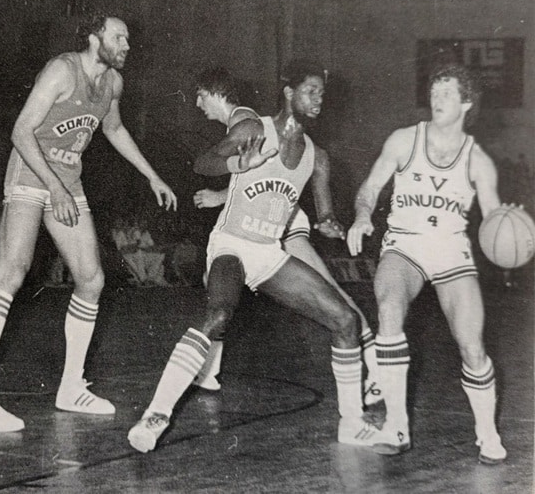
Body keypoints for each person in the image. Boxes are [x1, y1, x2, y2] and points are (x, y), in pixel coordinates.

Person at [128, 59, 392, 453]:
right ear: (288, 92)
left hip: (269, 253)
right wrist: (239, 163)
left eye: (322, 92)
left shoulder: (317, 158)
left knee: (345, 320)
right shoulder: (255, 129)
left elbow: (324, 216)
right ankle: (156, 415)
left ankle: (352, 423)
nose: (318, 98)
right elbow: (204, 162)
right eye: (310, 90)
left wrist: (333, 225)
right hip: (231, 244)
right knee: (219, 314)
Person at [0, 14, 177, 432]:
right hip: (29, 171)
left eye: (128, 37)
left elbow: (112, 127)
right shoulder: (62, 70)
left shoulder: (112, 83)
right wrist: (53, 188)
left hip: (67, 178)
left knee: (91, 280)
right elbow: (21, 132)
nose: (128, 44)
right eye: (120, 37)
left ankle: (72, 387)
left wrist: (151, 174)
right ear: (95, 39)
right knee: (12, 272)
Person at [187, 68, 381, 401]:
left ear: (213, 92)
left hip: (284, 221)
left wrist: (219, 196)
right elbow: (252, 179)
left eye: (200, 96)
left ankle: (377, 370)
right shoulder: (250, 124)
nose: (196, 104)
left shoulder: (246, 121)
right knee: (215, 285)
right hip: (267, 218)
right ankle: (208, 370)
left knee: (329, 292)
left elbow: (250, 176)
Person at [346, 64, 506, 463]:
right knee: (389, 309)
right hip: (406, 246)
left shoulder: (478, 160)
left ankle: (486, 431)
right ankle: (396, 425)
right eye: (434, 92)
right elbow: (369, 187)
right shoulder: (404, 140)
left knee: (471, 346)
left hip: (451, 251)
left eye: (448, 94)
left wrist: (512, 231)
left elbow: (494, 223)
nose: (437, 100)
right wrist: (363, 215)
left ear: (467, 103)